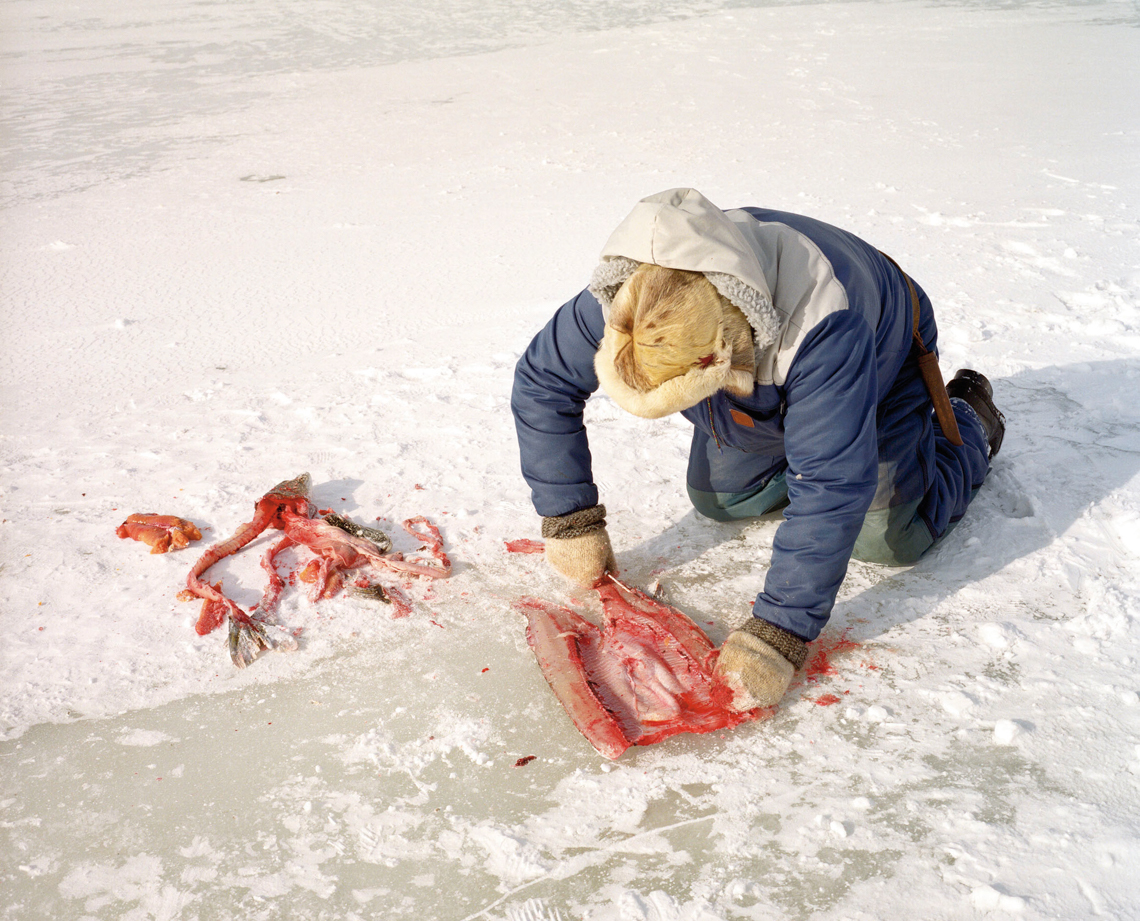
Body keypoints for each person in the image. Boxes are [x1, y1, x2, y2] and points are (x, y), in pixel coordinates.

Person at [511, 188, 1005, 710]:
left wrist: (778, 635)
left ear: (718, 357)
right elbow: (542, 382)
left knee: (888, 540)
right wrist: (571, 520)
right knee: (720, 500)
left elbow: (833, 482)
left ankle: (969, 421)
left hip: (881, 348)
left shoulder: (822, 326)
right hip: (763, 386)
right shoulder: (627, 298)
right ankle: (810, 433)